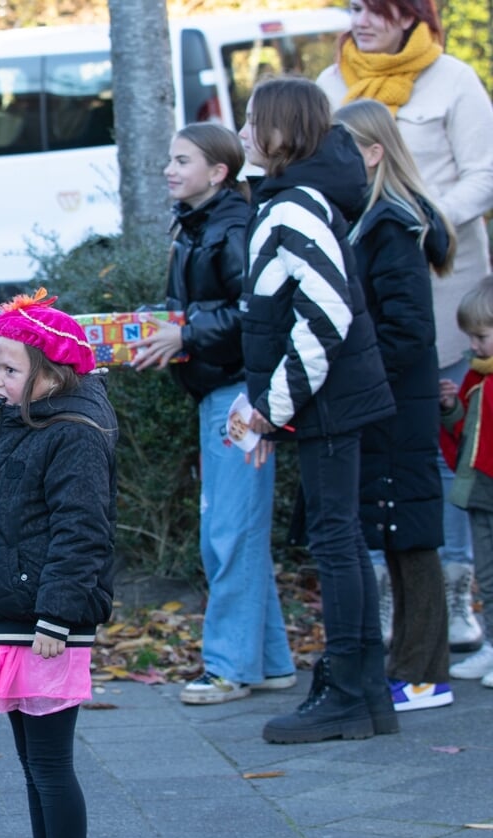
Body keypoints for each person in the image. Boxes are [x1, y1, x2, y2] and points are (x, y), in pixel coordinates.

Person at [317, 0, 493, 658]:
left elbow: (485, 172)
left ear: (410, 16)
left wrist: (420, 217)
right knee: (385, 450)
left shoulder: (452, 79)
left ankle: (454, 593)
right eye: (355, 7)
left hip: (444, 286)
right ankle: (395, 596)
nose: (361, 20)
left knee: (442, 448)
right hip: (366, 288)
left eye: (377, 9)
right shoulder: (331, 84)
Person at [236, 76, 397, 744]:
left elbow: (324, 313)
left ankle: (352, 694)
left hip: (324, 402)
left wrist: (271, 407)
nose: (243, 130)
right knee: (339, 539)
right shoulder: (298, 198)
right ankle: (358, 691)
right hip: (322, 399)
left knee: (336, 541)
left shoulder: (295, 204)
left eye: (252, 120)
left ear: (280, 132)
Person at [0, 289, 116, 838]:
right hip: (10, 613)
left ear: (52, 373)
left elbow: (82, 532)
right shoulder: (6, 420)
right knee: (32, 766)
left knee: (50, 766)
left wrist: (55, 617)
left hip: (46, 624)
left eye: (10, 368)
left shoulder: (73, 434)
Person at [129, 123, 297, 705]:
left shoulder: (233, 229)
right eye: (169, 159)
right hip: (217, 393)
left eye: (182, 160)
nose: (169, 170)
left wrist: (185, 333)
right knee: (236, 530)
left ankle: (227, 668)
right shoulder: (198, 224)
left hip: (239, 396)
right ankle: (270, 662)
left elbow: (253, 315)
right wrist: (162, 325)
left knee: (228, 533)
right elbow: (200, 307)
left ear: (219, 172)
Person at [335, 98, 456, 711]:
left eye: (345, 147)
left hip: (394, 404)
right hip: (389, 399)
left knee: (410, 534)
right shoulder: (376, 219)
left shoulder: (391, 224)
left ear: (374, 152)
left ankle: (424, 674)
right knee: (398, 530)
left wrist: (363, 382)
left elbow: (406, 329)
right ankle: (411, 665)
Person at [439, 279, 493, 689]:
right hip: (481, 492)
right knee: (488, 576)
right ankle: (491, 643)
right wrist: (452, 407)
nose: (474, 346)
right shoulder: (477, 380)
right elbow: (464, 437)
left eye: (481, 336)